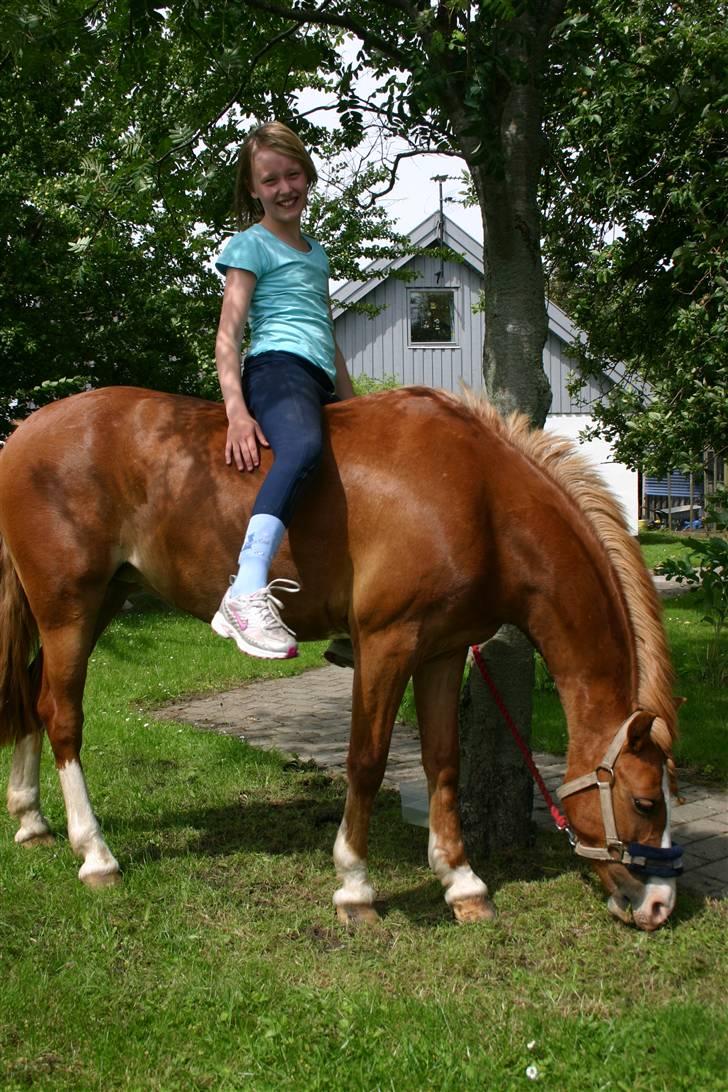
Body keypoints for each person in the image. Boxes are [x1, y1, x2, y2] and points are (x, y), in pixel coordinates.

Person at [211, 121, 355, 660]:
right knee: (301, 449)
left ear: (308, 175)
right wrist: (237, 411)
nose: (284, 188)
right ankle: (245, 588)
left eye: (293, 174)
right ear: (254, 189)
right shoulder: (250, 245)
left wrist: (351, 400)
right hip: (277, 369)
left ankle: (351, 616)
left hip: (317, 378)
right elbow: (229, 335)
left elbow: (327, 334)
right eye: (270, 180)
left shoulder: (316, 254)